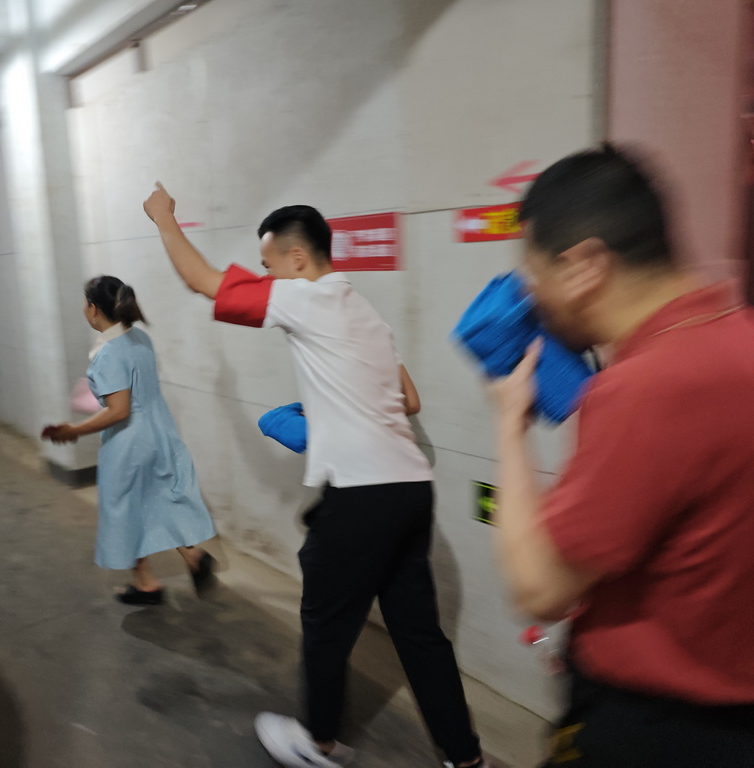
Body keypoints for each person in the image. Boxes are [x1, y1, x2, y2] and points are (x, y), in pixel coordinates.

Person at [143, 187, 488, 768]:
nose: (266, 276)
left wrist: (164, 218)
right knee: (419, 634)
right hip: (410, 490)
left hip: (361, 496)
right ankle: (464, 756)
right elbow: (408, 399)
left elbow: (202, 281)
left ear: (297, 258)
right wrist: (334, 409)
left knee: (326, 621)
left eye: (268, 264)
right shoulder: (365, 313)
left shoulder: (305, 297)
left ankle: (318, 743)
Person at [486, 145, 754, 767]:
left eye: (536, 277)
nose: (533, 300)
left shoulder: (648, 388)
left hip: (654, 729)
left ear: (584, 265)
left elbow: (540, 587)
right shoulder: (736, 337)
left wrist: (509, 426)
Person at [41, 276, 217, 604]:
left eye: (85, 303)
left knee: (126, 508)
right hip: (159, 430)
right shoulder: (140, 338)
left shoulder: (107, 353)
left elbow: (119, 409)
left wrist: (74, 430)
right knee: (158, 498)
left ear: (93, 309)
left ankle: (145, 582)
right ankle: (193, 556)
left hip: (129, 442)